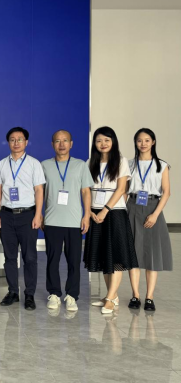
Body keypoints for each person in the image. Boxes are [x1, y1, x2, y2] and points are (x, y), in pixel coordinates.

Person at [83, 126, 138, 314]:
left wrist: (105, 210)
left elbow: (121, 189)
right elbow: (86, 189)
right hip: (95, 212)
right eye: (99, 140)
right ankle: (111, 296)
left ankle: (111, 297)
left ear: (113, 141)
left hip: (114, 213)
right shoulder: (90, 162)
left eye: (107, 140)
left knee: (115, 257)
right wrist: (90, 211)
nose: (103, 144)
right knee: (104, 256)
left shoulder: (121, 161)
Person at [0, 127, 45, 310]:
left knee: (30, 257)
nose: (16, 143)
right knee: (9, 257)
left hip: (28, 215)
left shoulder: (34, 164)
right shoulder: (1, 164)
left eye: (20, 139)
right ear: (8, 142)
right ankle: (13, 292)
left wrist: (38, 214)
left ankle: (29, 294)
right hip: (6, 215)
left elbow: (39, 190)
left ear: (26, 142)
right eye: (13, 140)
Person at [41, 130, 93, 312]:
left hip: (74, 221)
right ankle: (54, 293)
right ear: (52, 144)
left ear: (71, 144)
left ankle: (72, 295)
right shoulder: (44, 165)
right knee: (52, 260)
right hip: (52, 220)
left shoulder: (80, 165)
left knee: (74, 261)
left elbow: (86, 192)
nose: (61, 144)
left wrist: (86, 215)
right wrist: (40, 215)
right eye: (57, 141)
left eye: (65, 141)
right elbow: (39, 193)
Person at [126, 128, 172, 312]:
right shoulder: (129, 164)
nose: (143, 144)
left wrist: (155, 214)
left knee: (152, 254)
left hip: (154, 207)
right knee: (133, 253)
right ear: (135, 143)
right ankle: (135, 295)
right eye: (139, 140)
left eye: (147, 140)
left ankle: (149, 297)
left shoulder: (162, 165)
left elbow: (166, 192)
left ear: (153, 142)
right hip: (132, 206)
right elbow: (124, 190)